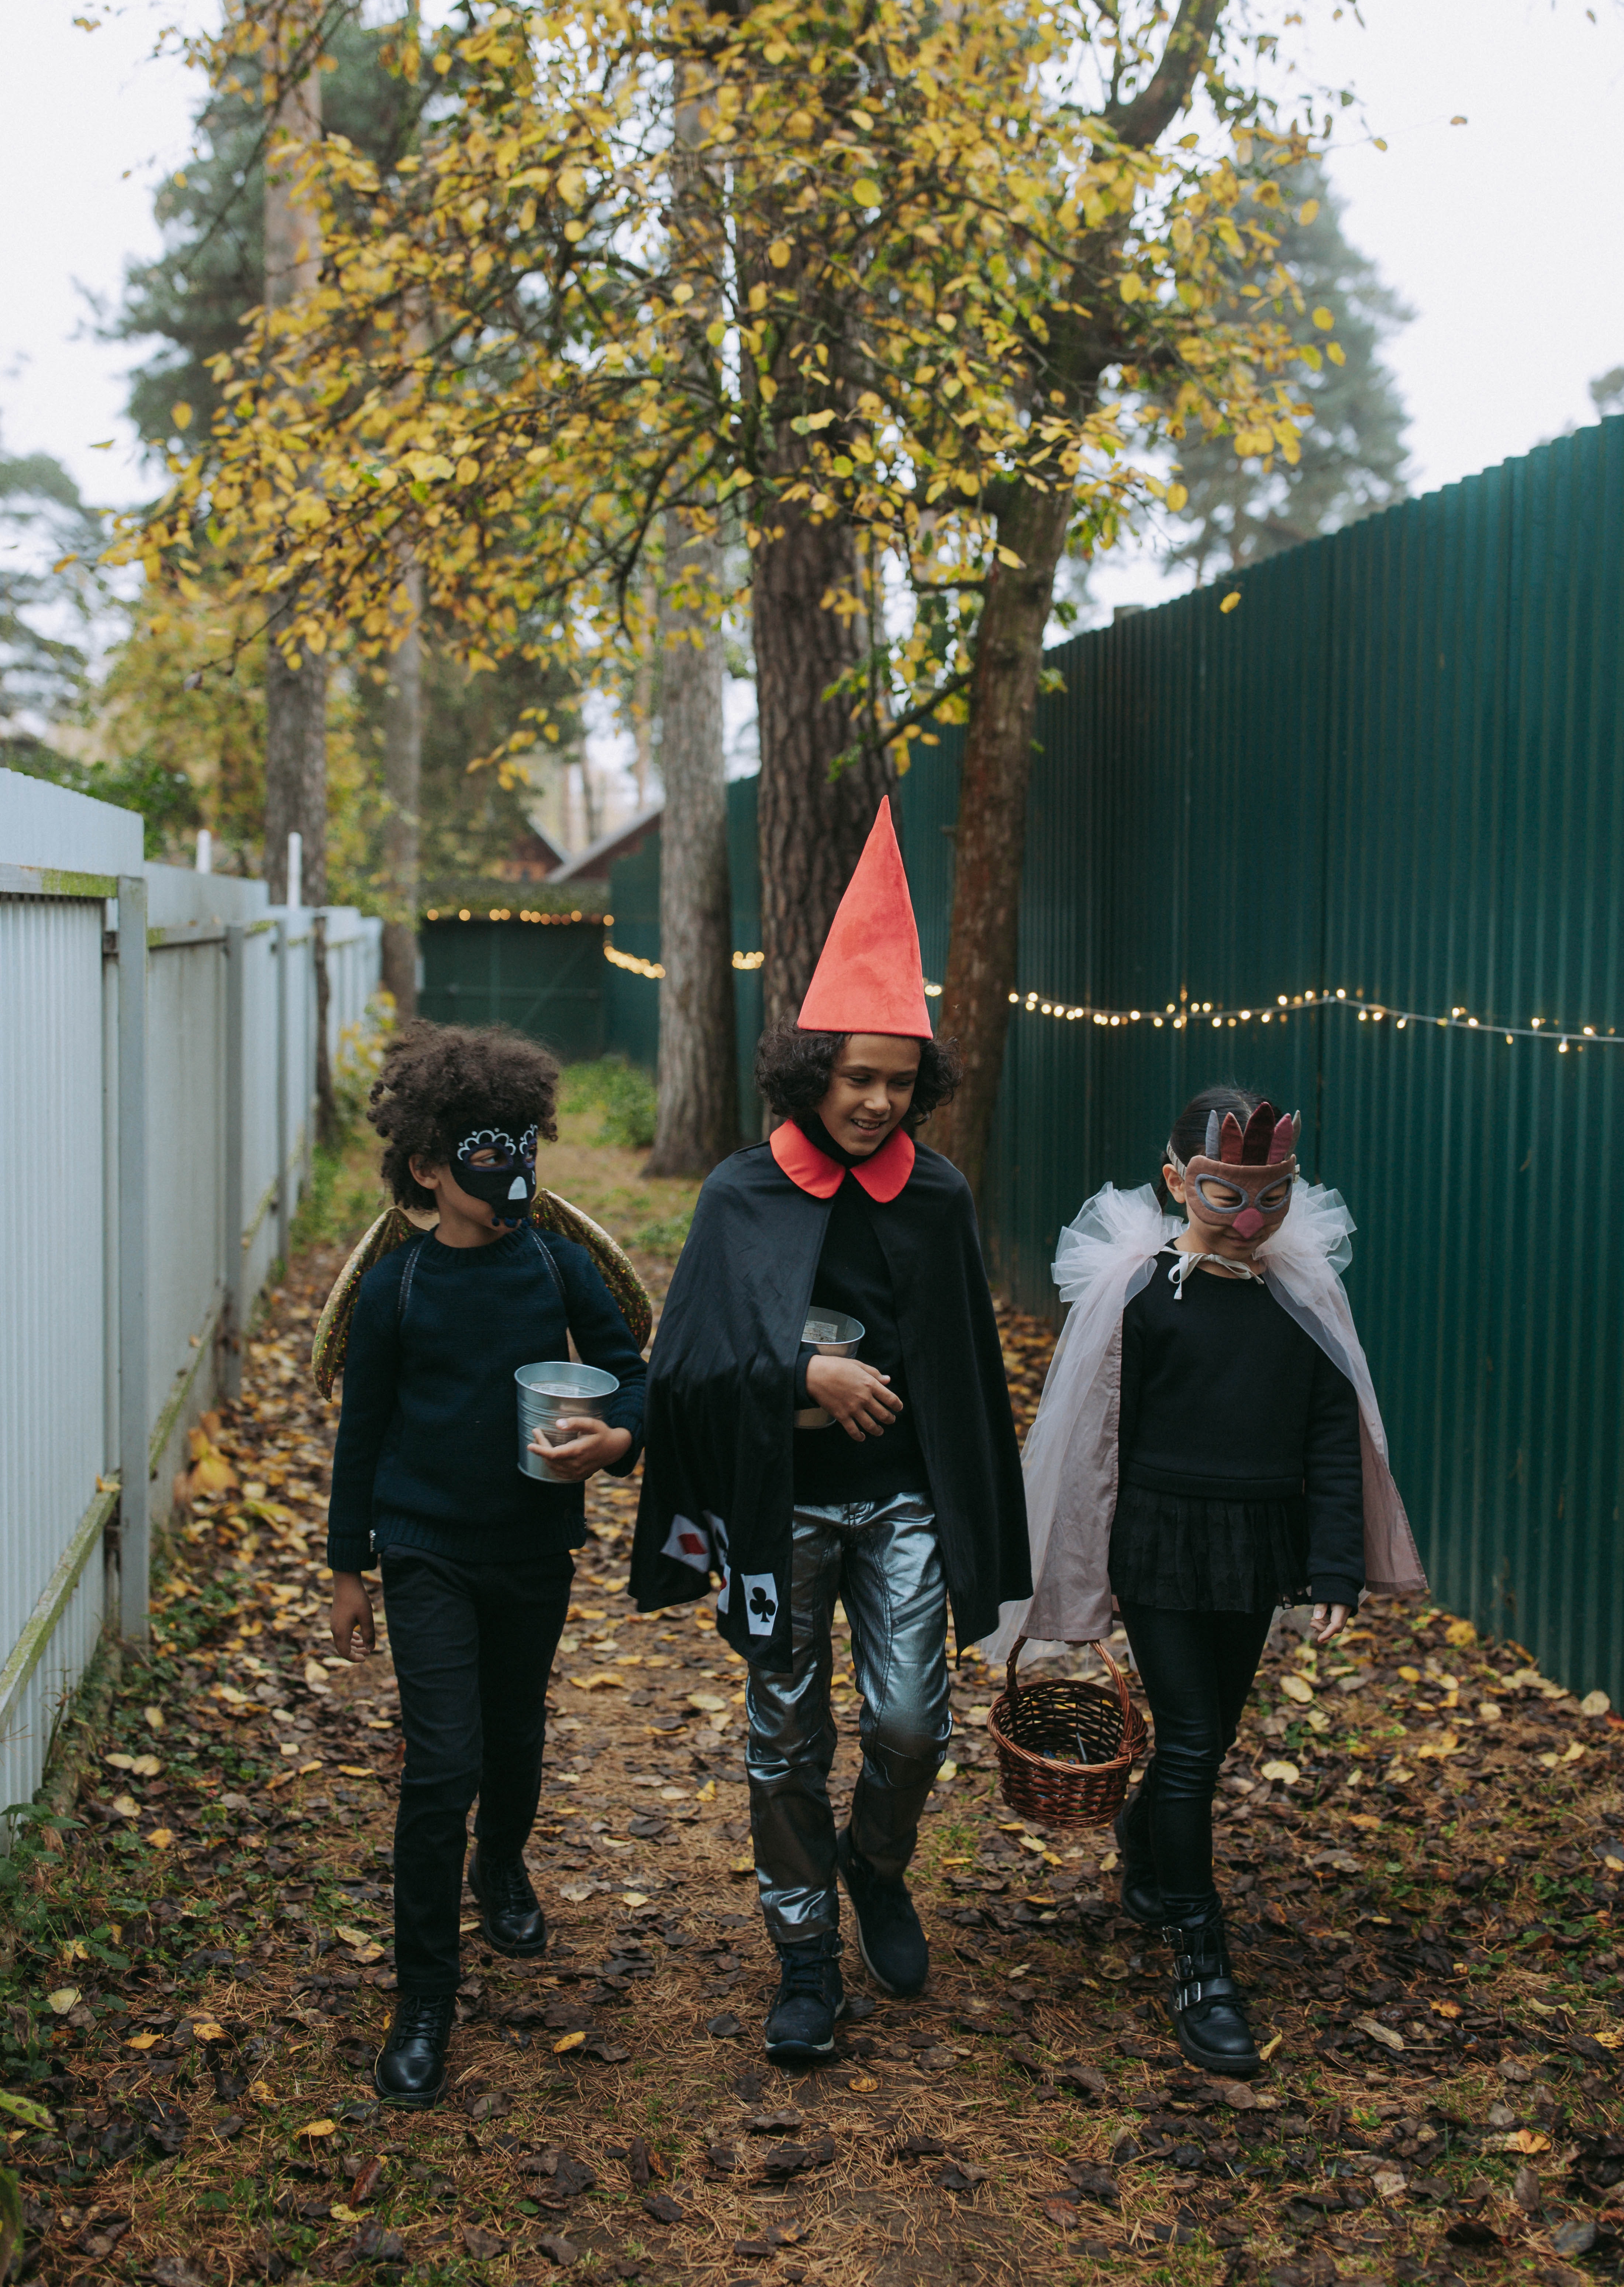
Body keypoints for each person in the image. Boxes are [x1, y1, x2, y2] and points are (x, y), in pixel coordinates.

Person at [630, 801, 1031, 2061]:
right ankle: (803, 1953)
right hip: (777, 1503)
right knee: (782, 1729)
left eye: (900, 1082)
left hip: (901, 1495)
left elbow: (961, 1368)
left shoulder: (937, 1194)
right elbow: (687, 1364)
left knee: (912, 1722)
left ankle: (874, 1861)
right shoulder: (741, 1192)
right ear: (812, 1070)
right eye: (856, 1077)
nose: (875, 1103)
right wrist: (806, 1369)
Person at [980, 1085, 1425, 2078]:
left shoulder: (1301, 1293)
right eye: (1227, 1191)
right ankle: (1198, 1950)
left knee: (1210, 1734)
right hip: (1161, 1543)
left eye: (1272, 1194)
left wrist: (1332, 1564)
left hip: (1256, 1543)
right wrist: (1087, 1564)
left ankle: (1145, 1839)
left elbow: (1330, 1430)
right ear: (1178, 1179)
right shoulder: (1139, 1289)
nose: (1250, 1217)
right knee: (1186, 1738)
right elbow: (1095, 1435)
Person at [322, 1022, 648, 2108]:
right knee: (441, 1764)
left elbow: (629, 1373)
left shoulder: (557, 1268)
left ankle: (500, 1862)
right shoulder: (396, 1289)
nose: (511, 1170)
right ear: (427, 1164)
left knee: (513, 1736)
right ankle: (423, 1996)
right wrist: (347, 1568)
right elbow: (359, 1435)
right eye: (485, 1150)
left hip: (533, 1549)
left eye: (524, 1146)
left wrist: (617, 1439)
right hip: (422, 1551)